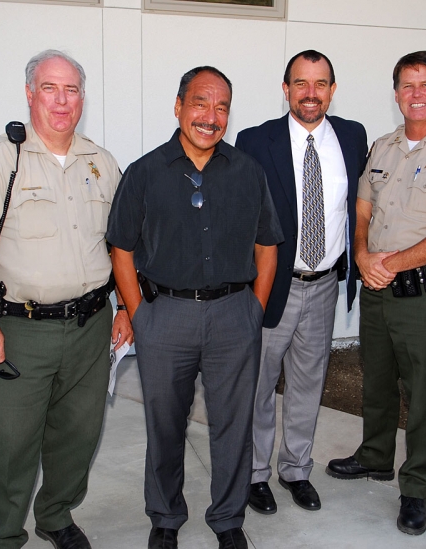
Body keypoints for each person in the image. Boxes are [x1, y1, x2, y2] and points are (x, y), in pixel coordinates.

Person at [0, 49, 132, 549]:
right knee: (12, 443)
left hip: (92, 325)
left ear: (83, 98)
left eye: (71, 89)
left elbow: (120, 243)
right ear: (30, 94)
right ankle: (2, 535)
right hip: (21, 330)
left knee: (79, 434)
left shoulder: (100, 161)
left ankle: (55, 516)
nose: (61, 100)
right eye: (50, 88)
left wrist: (123, 307)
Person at [106, 66, 283, 549]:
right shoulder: (144, 172)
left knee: (232, 426)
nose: (211, 116)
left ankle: (228, 521)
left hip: (233, 317)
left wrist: (254, 308)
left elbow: (268, 245)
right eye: (201, 103)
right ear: (179, 105)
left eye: (222, 106)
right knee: (164, 424)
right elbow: (121, 248)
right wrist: (140, 313)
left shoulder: (247, 171)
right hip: (165, 317)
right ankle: (165, 517)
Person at [326, 50, 426, 536]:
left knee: (421, 394)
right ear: (395, 94)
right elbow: (363, 210)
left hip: (423, 295)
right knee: (375, 379)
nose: (415, 94)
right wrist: (361, 255)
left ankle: (414, 487)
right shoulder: (384, 147)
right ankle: (375, 456)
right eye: (406, 85)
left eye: (425, 84)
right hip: (377, 290)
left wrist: (389, 263)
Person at [235, 50, 367, 514]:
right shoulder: (255, 140)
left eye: (320, 83)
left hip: (325, 283)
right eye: (301, 83)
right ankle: (254, 475)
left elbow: (359, 206)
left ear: (332, 89)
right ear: (286, 88)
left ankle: (295, 469)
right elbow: (242, 216)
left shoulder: (352, 137)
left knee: (309, 383)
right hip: (274, 284)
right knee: (260, 384)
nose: (310, 93)